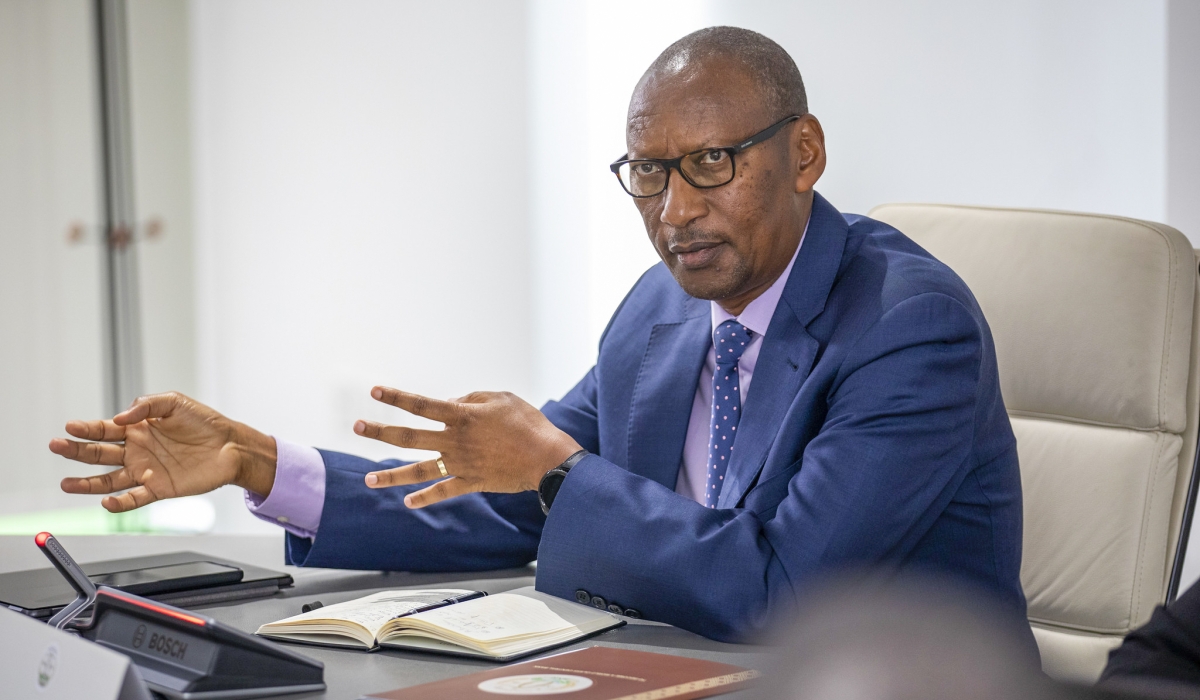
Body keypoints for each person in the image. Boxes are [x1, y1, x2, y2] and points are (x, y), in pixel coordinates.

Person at [48, 26, 1027, 644]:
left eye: (711, 163)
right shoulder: (661, 310)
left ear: (804, 153)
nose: (674, 208)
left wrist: (557, 469)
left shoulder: (910, 330)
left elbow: (781, 590)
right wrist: (263, 466)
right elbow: (520, 503)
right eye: (648, 171)